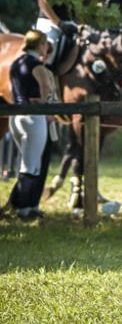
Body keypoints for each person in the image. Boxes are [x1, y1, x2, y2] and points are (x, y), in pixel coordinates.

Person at [3, 31, 55, 219]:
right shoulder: (36, 65)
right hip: (34, 117)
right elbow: (45, 85)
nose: (45, 48)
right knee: (31, 164)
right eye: (44, 45)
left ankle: (24, 204)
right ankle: (25, 208)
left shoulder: (17, 63)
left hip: (16, 117)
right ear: (39, 45)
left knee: (25, 160)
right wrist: (42, 100)